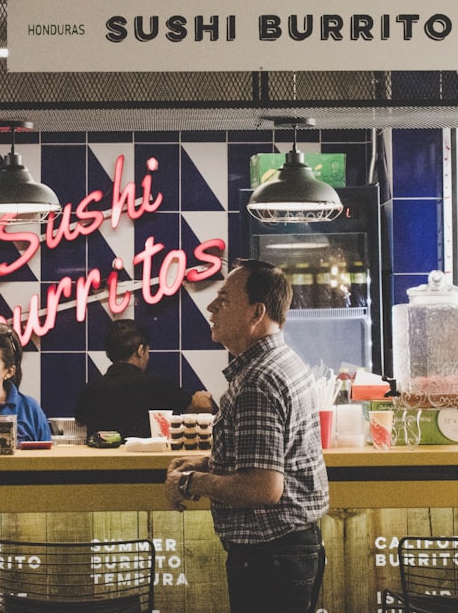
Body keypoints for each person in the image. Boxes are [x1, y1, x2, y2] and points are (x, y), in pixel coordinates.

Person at [165, 259, 329, 613]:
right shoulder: (280, 362)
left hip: (270, 560)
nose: (211, 306)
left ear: (256, 312)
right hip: (289, 553)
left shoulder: (258, 381)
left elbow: (262, 488)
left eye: (224, 298)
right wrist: (210, 461)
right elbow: (269, 458)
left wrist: (192, 482)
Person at [74, 319, 215, 438]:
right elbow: (202, 406)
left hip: (100, 468)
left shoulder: (90, 390)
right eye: (147, 351)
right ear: (140, 351)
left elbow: (80, 421)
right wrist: (203, 397)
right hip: (149, 468)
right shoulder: (158, 385)